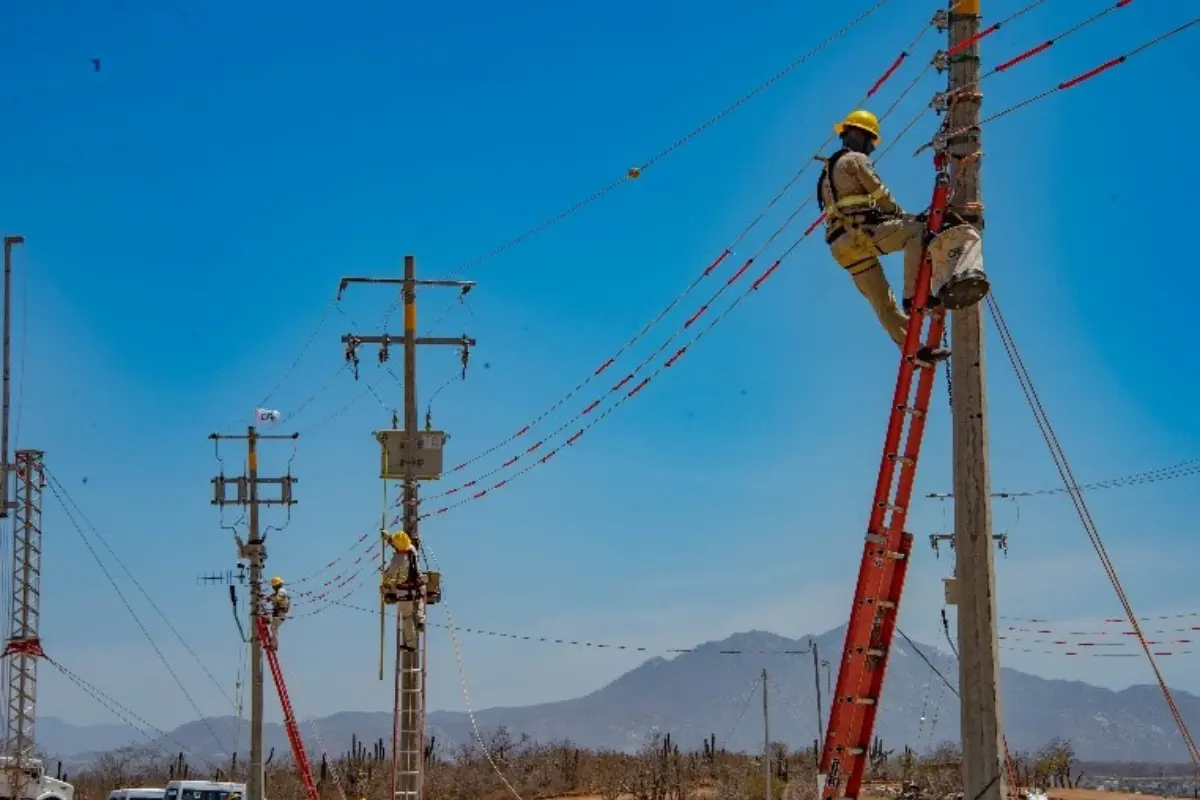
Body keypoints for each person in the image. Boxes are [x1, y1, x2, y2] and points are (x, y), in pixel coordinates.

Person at [817, 109, 950, 363]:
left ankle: (914, 351)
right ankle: (912, 298)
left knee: (883, 304)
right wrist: (905, 217)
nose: (872, 149)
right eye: (871, 141)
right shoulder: (856, 160)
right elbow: (881, 196)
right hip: (861, 235)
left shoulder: (827, 171)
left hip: (841, 246)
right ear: (861, 135)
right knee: (916, 234)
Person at [266, 576, 290, 649]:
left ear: (276, 585)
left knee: (273, 628)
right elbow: (275, 596)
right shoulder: (280, 591)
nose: (272, 587)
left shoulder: (281, 591)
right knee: (273, 627)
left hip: (281, 613)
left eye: (273, 585)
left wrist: (270, 598)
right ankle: (273, 643)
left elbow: (278, 598)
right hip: (280, 612)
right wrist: (269, 597)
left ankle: (274, 645)